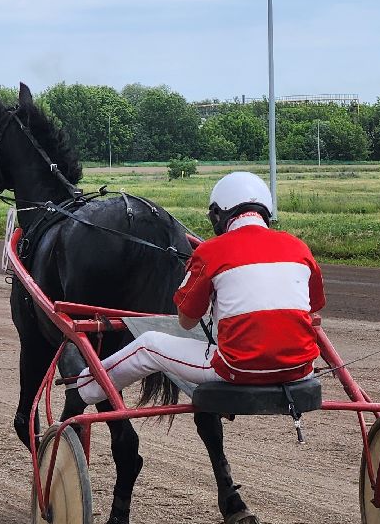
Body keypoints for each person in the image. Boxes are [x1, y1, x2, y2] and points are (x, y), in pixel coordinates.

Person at [69, 171, 325, 404]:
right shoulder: (299, 247)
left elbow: (187, 321)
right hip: (301, 368)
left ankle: (84, 389)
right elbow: (313, 309)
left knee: (148, 345)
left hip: (236, 370)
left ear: (218, 214)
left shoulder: (210, 252)